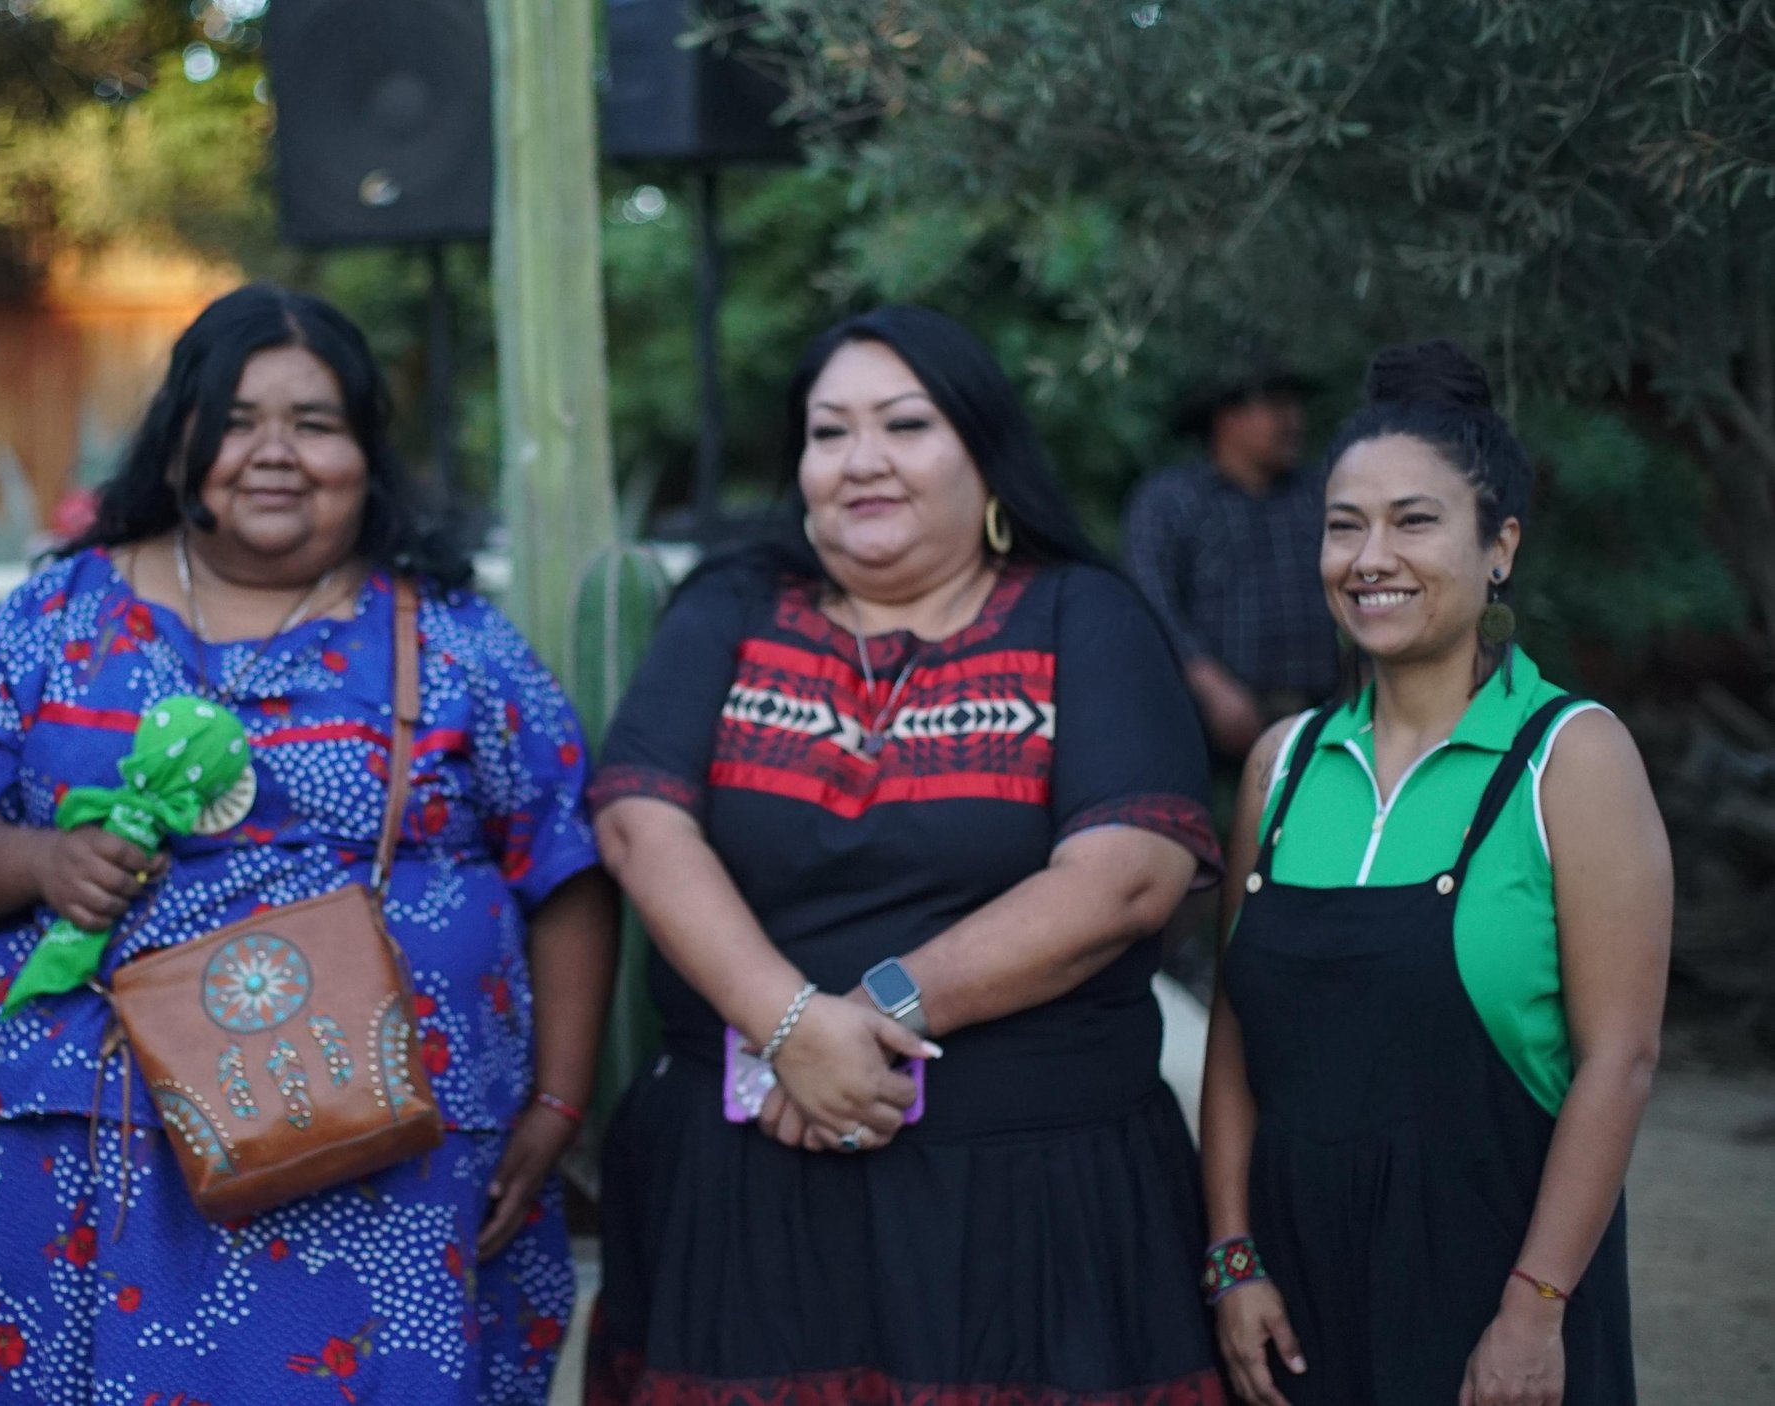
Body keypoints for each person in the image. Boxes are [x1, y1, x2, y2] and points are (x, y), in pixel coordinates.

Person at [0, 284, 617, 1405]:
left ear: (366, 449)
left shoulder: (457, 642)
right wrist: (37, 863)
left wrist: (558, 1102)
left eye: (315, 422)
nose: (273, 452)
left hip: (379, 1153)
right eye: (234, 417)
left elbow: (562, 861)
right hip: (86, 1148)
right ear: (178, 441)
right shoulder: (55, 619)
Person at [588, 305, 1225, 1403]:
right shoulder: (730, 605)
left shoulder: (1087, 616)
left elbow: (1128, 873)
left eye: (903, 423)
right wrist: (789, 1023)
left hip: (1029, 1202)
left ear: (984, 452)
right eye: (828, 432)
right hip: (744, 1200)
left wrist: (868, 1019)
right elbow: (639, 821)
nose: (860, 461)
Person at [1199, 341, 1670, 1406]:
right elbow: (1235, 1027)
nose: (1370, 556)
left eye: (1413, 520)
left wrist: (1531, 1307)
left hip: (1493, 1310)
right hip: (1290, 1314)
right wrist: (1232, 1256)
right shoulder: (1281, 764)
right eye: (1341, 523)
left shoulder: (1569, 754)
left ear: (1498, 544)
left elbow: (1620, 1058)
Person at [1126, 364, 1339, 759]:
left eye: (1294, 405)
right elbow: (1149, 599)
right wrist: (1209, 686)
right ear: (1226, 418)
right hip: (1200, 731)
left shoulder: (1317, 494)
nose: (1292, 420)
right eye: (1275, 406)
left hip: (1320, 723)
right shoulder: (1172, 501)